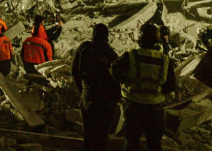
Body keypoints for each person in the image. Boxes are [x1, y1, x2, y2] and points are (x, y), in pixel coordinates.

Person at [111, 23, 177, 151]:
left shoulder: (131, 55)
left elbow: (114, 70)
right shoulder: (164, 60)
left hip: (133, 106)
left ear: (140, 39)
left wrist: (125, 82)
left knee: (131, 143)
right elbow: (171, 85)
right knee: (154, 144)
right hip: (155, 108)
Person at [71, 23, 121, 151]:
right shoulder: (111, 53)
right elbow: (117, 78)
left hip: (89, 94)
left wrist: (81, 90)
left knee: (89, 129)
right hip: (106, 97)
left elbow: (74, 72)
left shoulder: (84, 49)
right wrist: (116, 97)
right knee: (102, 132)